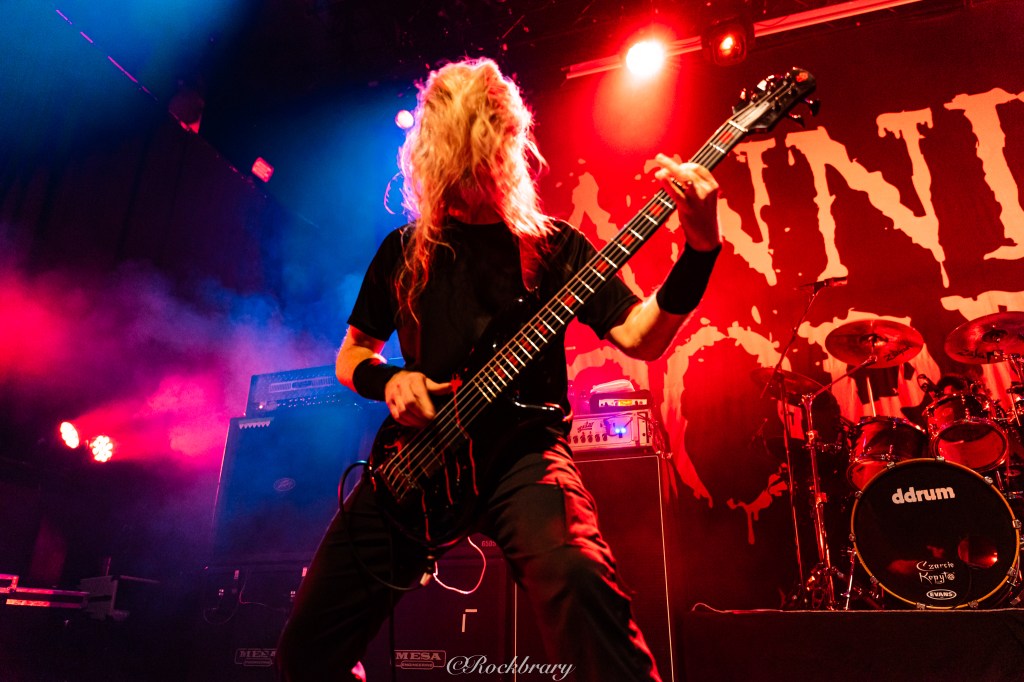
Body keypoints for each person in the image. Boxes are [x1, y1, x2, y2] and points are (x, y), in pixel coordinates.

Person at [276, 56, 722, 682]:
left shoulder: (554, 246)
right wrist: (391, 380)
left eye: (483, 147)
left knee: (576, 576)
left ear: (509, 142)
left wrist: (700, 247)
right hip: (416, 462)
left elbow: (640, 336)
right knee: (305, 651)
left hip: (523, 457)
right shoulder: (403, 252)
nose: (471, 169)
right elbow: (351, 356)